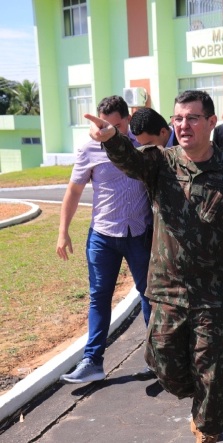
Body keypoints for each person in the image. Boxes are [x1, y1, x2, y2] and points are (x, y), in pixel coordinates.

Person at [84, 90, 223, 443]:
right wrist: (112, 139)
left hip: (214, 293)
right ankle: (202, 403)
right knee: (163, 362)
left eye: (193, 118)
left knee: (212, 373)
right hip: (167, 288)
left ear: (211, 122)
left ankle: (206, 439)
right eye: (178, 118)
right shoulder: (160, 162)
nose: (184, 125)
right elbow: (130, 160)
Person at [56, 95, 155, 383]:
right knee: (99, 297)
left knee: (150, 295)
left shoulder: (142, 146)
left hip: (139, 233)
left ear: (128, 120)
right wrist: (63, 231)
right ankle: (92, 362)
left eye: (116, 125)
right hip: (103, 236)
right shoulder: (89, 148)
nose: (108, 131)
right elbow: (74, 191)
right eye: (102, 125)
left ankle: (157, 359)